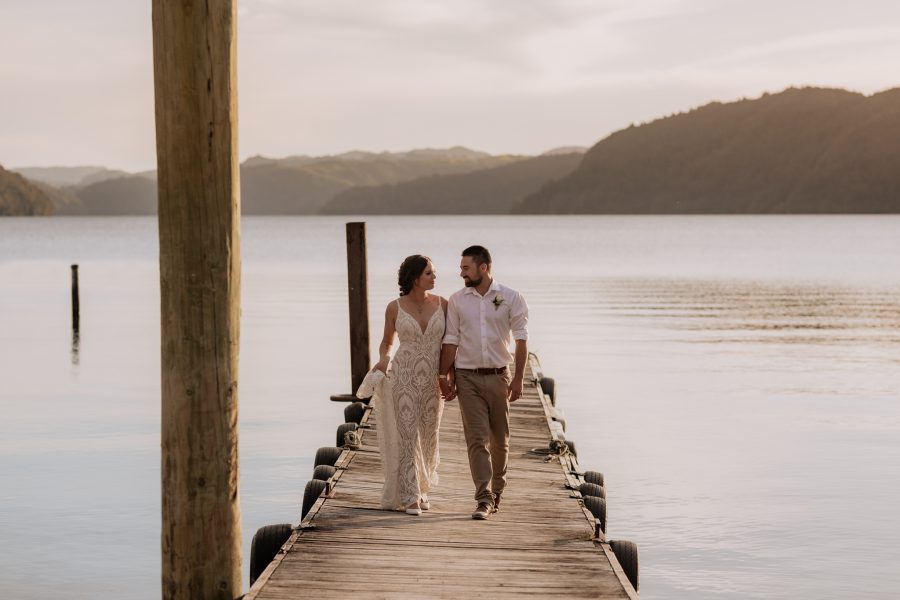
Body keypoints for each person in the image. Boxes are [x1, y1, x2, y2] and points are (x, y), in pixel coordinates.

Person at [439, 245, 528, 520]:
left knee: (499, 440)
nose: (461, 272)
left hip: (499, 375)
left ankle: (498, 489)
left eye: (466, 267)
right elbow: (451, 339)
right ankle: (483, 498)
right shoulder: (456, 300)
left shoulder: (510, 297)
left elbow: (522, 339)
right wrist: (444, 375)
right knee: (476, 439)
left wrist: (519, 379)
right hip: (467, 378)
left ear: (483, 268)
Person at [370, 254, 447, 516]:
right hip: (403, 375)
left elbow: (451, 343)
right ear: (415, 278)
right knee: (407, 434)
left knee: (429, 434)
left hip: (432, 380)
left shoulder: (444, 305)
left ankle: (423, 489)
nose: (435, 277)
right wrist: (384, 359)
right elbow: (387, 341)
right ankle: (410, 495)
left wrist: (449, 374)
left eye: (434, 272)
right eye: (429, 273)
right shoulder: (395, 307)